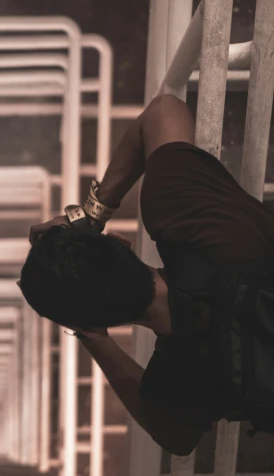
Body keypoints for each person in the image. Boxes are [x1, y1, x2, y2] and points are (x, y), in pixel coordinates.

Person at [18, 94, 274, 456]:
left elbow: (175, 437)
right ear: (122, 243)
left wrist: (93, 337)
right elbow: (163, 111)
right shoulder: (184, 213)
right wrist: (89, 218)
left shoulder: (177, 382)